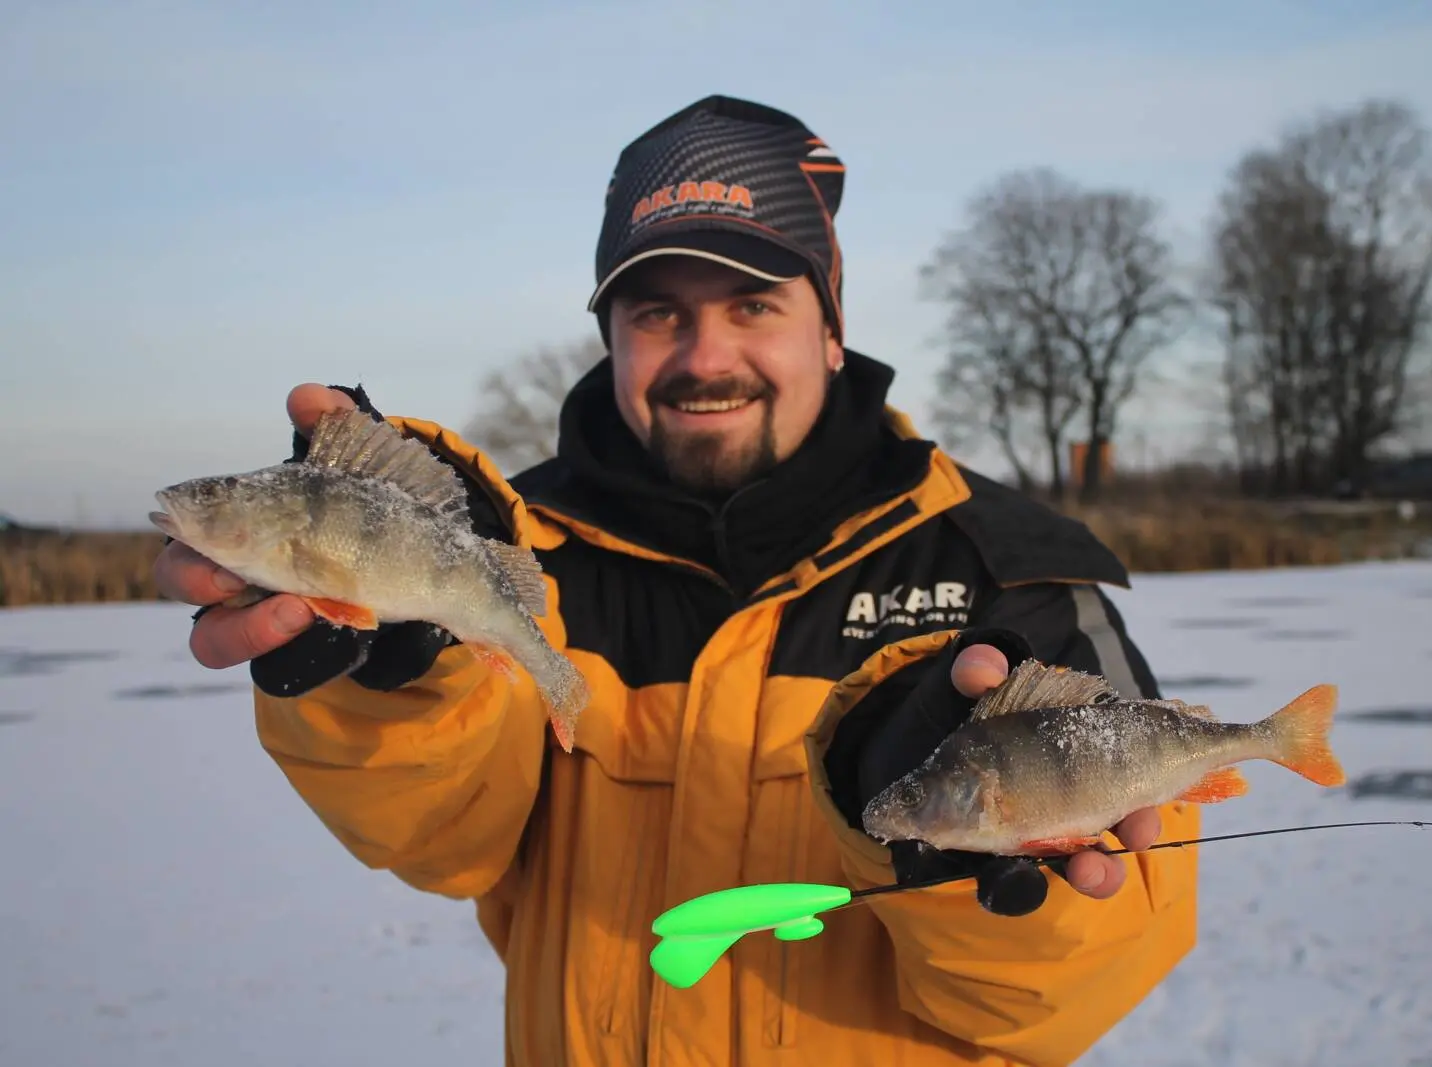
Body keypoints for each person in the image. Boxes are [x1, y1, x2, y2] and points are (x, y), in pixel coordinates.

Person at [153, 94, 1199, 1066]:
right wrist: (402, 674)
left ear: (830, 328)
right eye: (657, 312)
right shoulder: (518, 549)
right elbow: (444, 845)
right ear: (608, 334)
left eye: (753, 305)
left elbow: (1093, 971)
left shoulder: (1006, 570)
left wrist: (963, 872)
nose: (706, 355)